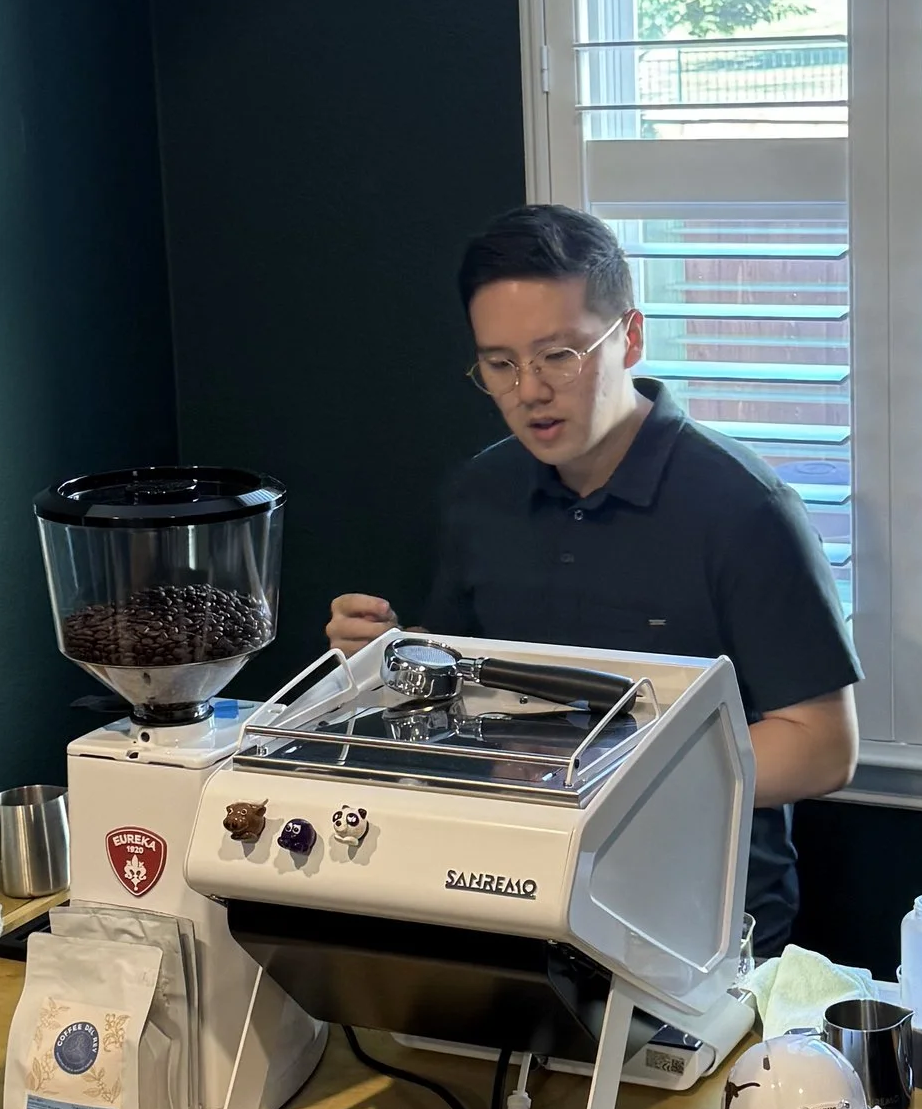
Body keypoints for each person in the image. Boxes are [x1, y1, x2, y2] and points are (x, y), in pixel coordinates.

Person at [329, 204, 859, 955]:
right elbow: (459, 689)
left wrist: (601, 770)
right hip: (509, 893)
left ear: (631, 337)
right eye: (500, 363)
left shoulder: (744, 509)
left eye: (560, 355)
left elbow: (824, 746)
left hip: (697, 921)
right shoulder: (479, 493)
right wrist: (386, 662)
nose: (530, 391)